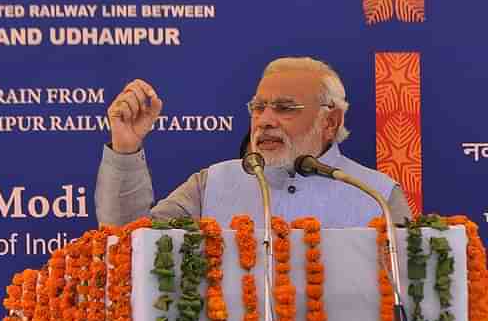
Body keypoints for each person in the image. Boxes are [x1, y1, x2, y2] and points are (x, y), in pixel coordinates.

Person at [95, 57, 411, 228]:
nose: (265, 120)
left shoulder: (377, 195)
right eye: (259, 107)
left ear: (330, 122)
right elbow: (128, 243)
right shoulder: (212, 184)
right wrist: (125, 147)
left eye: (285, 108)